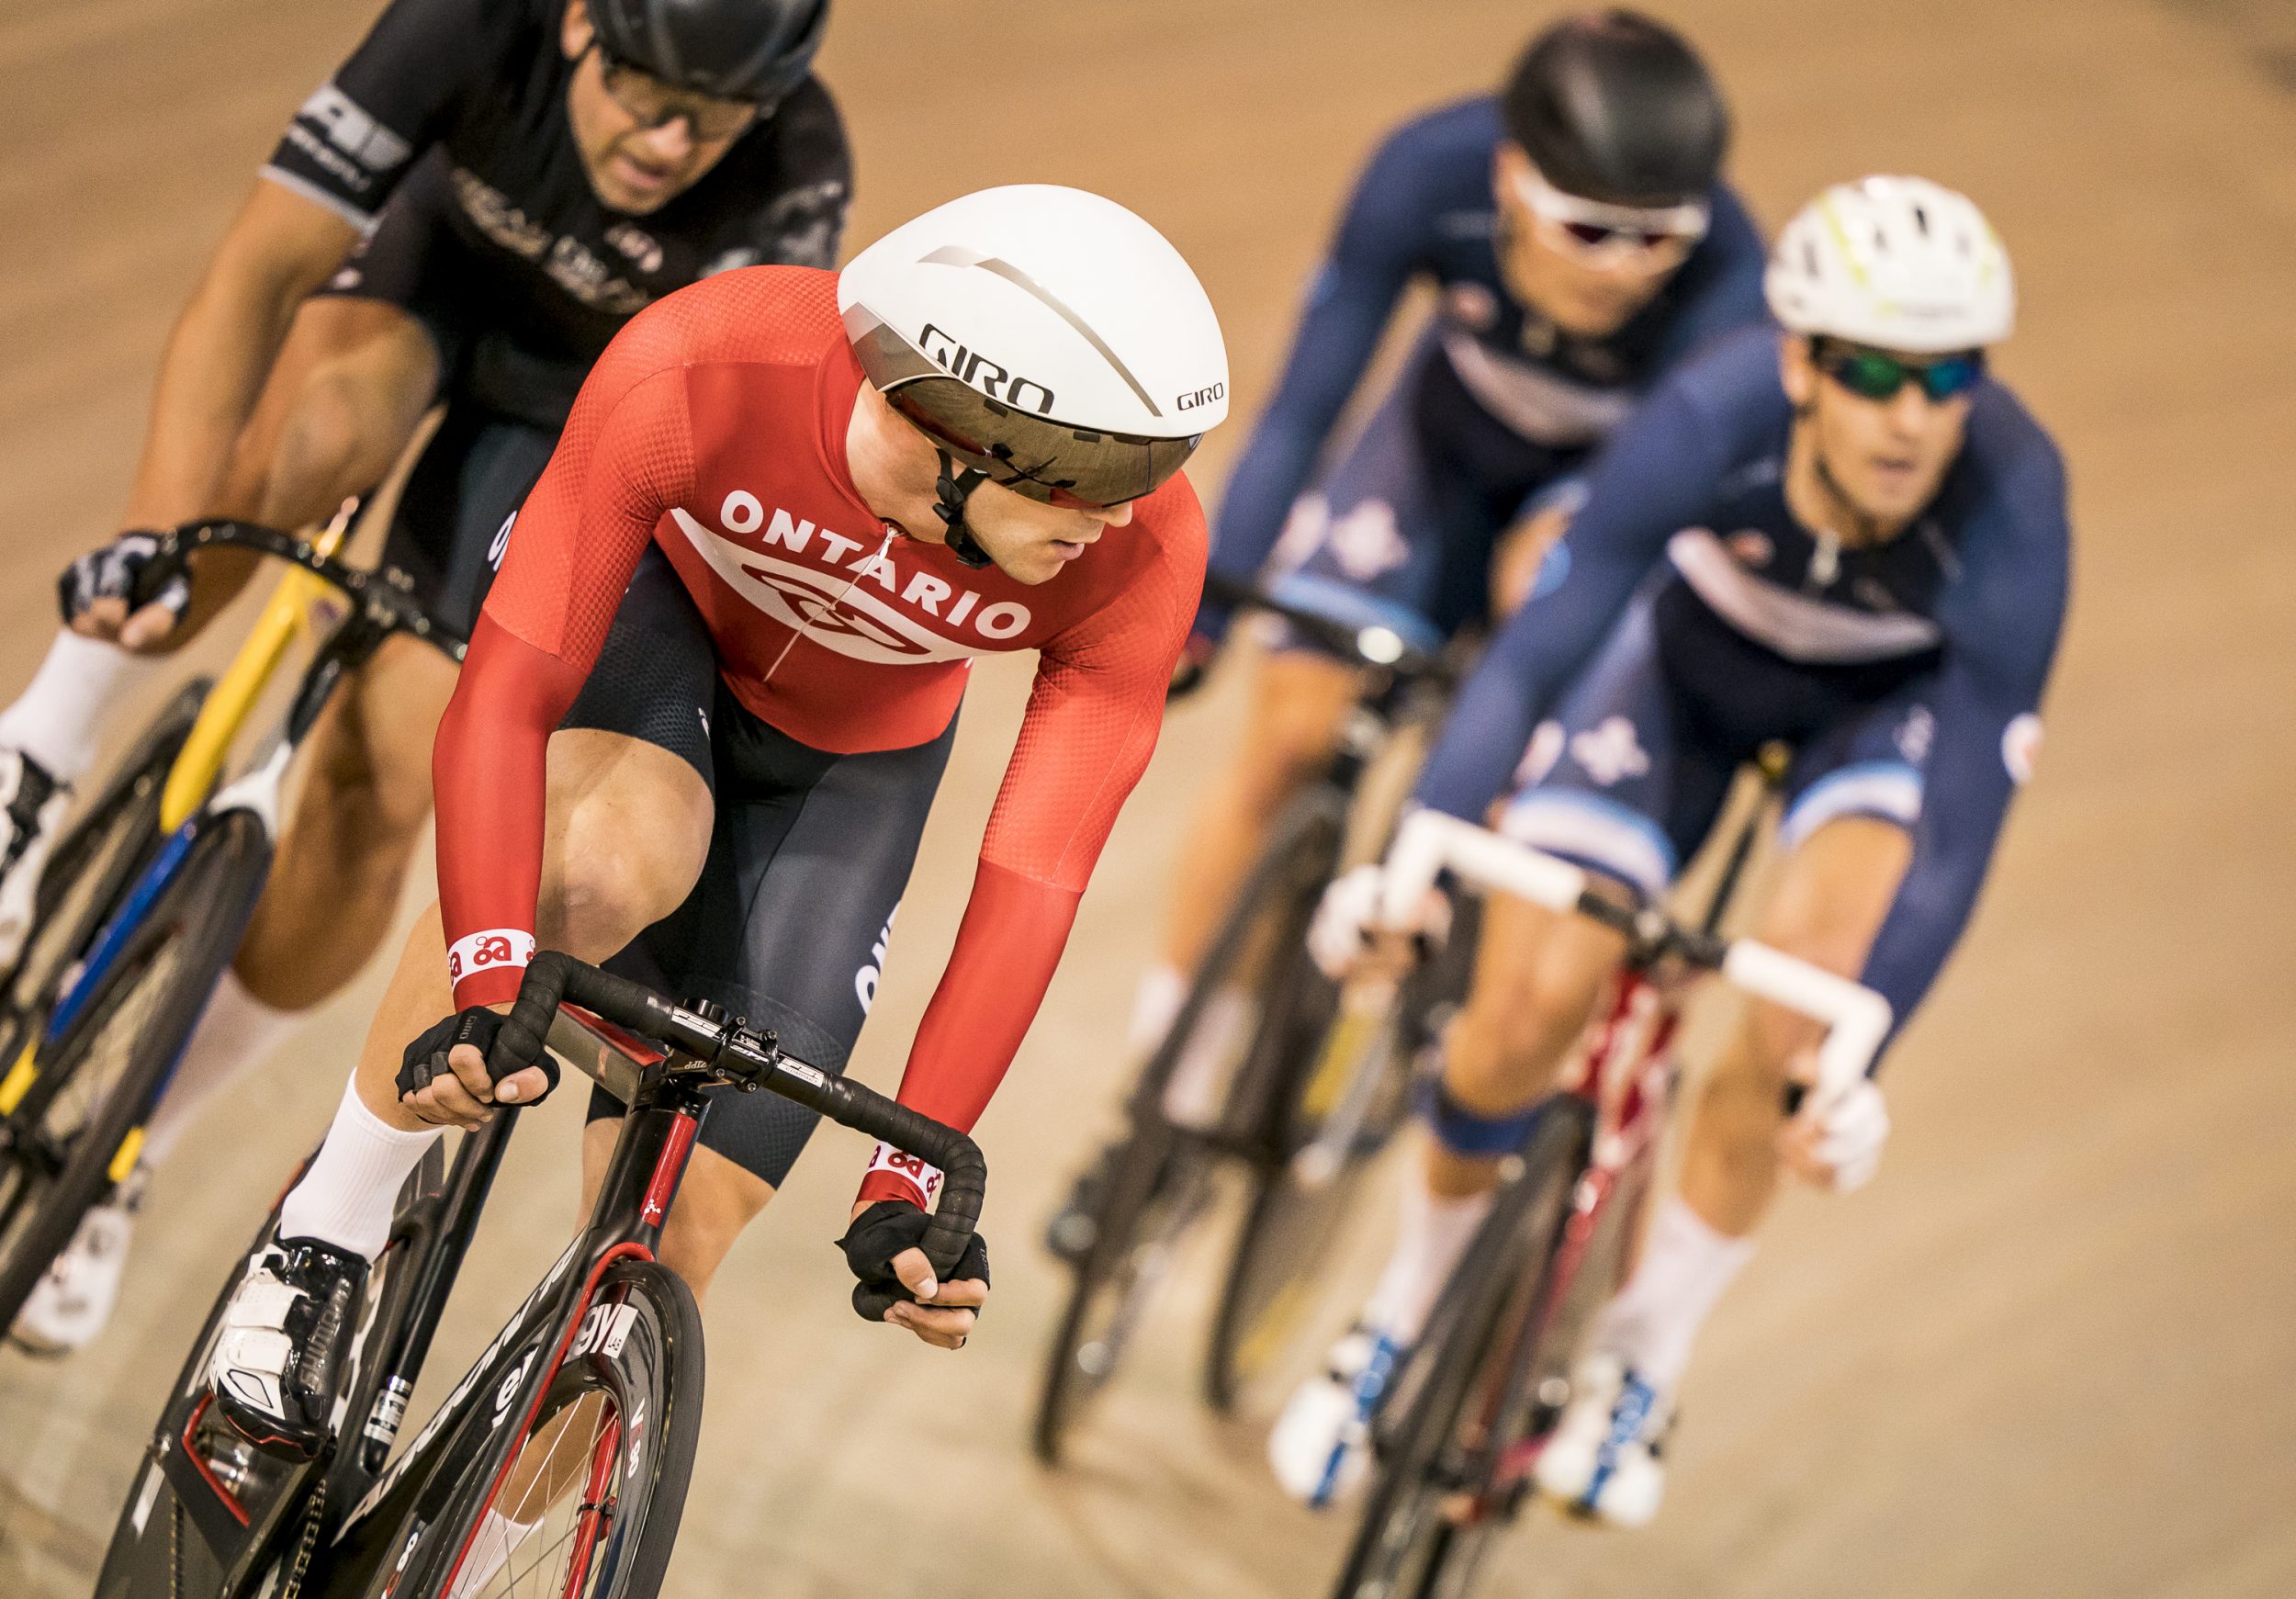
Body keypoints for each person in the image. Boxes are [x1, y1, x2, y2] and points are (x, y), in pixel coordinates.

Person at [200, 184, 1230, 1457]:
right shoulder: (709, 364)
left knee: (668, 1262)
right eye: (1099, 476)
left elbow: (1034, 878)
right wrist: (487, 962)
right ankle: (323, 1240)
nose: (1128, 514)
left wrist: (907, 1183)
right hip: (654, 634)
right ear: (956, 429)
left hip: (852, 768)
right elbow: (505, 702)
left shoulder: (1138, 559)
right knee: (615, 856)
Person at [7, 0, 851, 1353]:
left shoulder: (798, 166)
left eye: (714, 116)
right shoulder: (469, 21)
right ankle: (38, 752)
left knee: (379, 784)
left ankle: (124, 1140)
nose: (668, 139)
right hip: (420, 292)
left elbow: (700, 458)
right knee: (308, 438)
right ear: (580, 23)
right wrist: (154, 546)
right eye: (642, 88)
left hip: (577, 423)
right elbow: (256, 271)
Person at [1270, 175, 2068, 1523]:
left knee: (1793, 1030)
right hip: (1682, 673)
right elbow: (1531, 664)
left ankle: (1645, 1357)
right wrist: (1419, 854)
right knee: (1521, 1007)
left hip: (1877, 718)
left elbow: (1959, 834)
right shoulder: (1708, 413)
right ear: (1805, 361)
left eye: (1948, 381)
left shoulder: (2016, 502)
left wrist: (1861, 1058)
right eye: (1875, 372)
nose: (1912, 416)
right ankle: (1398, 1315)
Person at [1122, 10, 1767, 1130]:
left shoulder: (1733, 279)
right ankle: (1169, 1064)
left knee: (1543, 612)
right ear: (1513, 178)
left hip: (1606, 488)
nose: (1622, 270)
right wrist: (1211, 596)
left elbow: (1639, 535)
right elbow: (1308, 401)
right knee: (1286, 736)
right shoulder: (1428, 170)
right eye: (1586, 229)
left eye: (1655, 238)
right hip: (1442, 443)